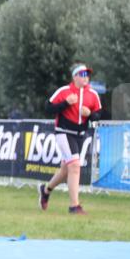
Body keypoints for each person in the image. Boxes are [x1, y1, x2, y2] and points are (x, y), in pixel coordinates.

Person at [38, 63, 102, 214]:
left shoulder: (93, 94)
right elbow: (48, 108)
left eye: (87, 74)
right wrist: (66, 103)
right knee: (74, 165)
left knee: (65, 170)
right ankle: (74, 206)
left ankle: (46, 191)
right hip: (63, 132)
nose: (86, 77)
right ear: (74, 77)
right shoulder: (64, 91)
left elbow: (99, 115)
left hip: (80, 135)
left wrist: (91, 115)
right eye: (82, 74)